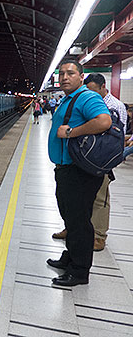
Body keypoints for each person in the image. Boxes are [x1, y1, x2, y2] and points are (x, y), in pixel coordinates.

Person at [46, 59, 111, 287]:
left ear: (81, 77)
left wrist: (72, 132)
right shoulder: (70, 98)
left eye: (70, 73)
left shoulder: (87, 97)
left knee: (79, 222)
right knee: (70, 218)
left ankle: (79, 271)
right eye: (61, 73)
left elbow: (104, 121)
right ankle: (70, 258)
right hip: (67, 169)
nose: (64, 77)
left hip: (79, 171)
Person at [52, 73, 127, 251]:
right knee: (78, 204)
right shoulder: (84, 100)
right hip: (80, 159)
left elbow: (117, 136)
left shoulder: (115, 106)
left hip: (99, 160)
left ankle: (99, 235)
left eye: (93, 91)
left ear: (103, 87)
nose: (89, 94)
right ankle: (72, 230)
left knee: (100, 199)